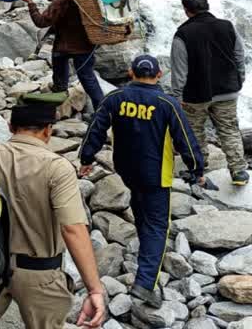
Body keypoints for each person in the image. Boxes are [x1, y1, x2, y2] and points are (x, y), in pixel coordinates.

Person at [0, 102, 107, 329]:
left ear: (10, 126)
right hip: (39, 273)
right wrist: (95, 290)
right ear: (48, 130)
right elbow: (73, 229)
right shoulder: (58, 168)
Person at [79, 54, 204, 308]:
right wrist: (197, 167)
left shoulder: (115, 98)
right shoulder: (166, 103)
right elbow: (185, 139)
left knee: (142, 211)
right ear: (159, 75)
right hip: (156, 173)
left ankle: (145, 252)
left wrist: (86, 157)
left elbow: (96, 128)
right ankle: (145, 284)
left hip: (126, 170)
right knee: (159, 226)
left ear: (130, 73)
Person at [170, 0, 249, 186]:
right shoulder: (227, 26)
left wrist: (177, 94)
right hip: (227, 89)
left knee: (195, 130)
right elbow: (239, 54)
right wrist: (240, 77)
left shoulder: (182, 34)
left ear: (186, 11)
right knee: (229, 129)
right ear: (207, 5)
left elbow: (180, 68)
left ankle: (199, 166)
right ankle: (238, 171)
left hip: (196, 94)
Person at [22, 0, 104, 110]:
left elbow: (41, 22)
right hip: (86, 45)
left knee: (60, 76)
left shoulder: (60, 1)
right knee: (88, 79)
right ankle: (102, 110)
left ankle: (57, 102)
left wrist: (31, 4)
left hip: (64, 46)